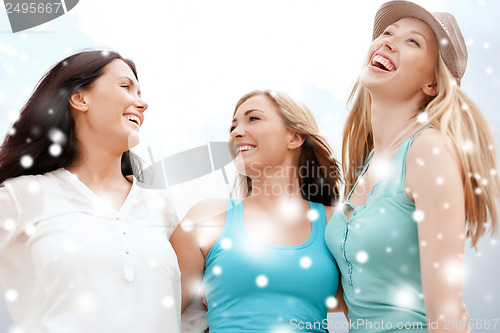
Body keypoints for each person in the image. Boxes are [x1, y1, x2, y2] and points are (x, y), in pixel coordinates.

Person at [325, 1, 500, 332]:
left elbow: (447, 316)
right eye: (388, 33)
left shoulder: (427, 151)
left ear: (432, 84)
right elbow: (355, 291)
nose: (387, 41)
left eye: (412, 41)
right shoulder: (365, 168)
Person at [0, 50, 181, 332]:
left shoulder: (160, 205)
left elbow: (189, 309)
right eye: (125, 87)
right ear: (80, 98)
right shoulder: (23, 195)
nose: (142, 103)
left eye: (140, 92)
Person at [171, 90, 343, 332]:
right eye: (232, 126)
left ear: (294, 137)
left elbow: (360, 317)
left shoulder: (336, 224)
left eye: (253, 118)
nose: (235, 133)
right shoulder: (205, 218)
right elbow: (157, 316)